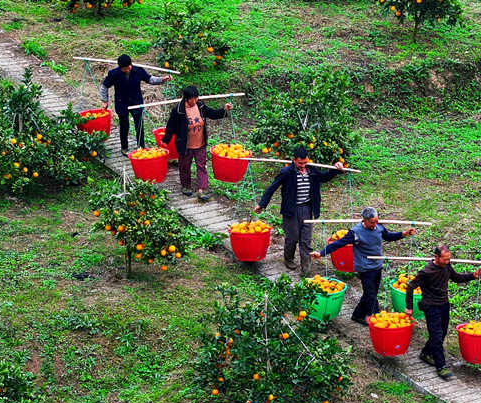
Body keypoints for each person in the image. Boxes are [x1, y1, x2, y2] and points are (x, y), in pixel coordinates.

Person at [311, 207, 415, 325]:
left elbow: (388, 236)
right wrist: (321, 253)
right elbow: (338, 243)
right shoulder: (356, 232)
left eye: (376, 221)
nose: (375, 224)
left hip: (377, 265)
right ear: (364, 220)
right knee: (371, 295)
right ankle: (378, 320)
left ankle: (357, 315)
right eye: (372, 222)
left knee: (371, 293)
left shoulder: (378, 226)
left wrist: (403, 234)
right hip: (365, 268)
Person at [254, 146, 345, 276]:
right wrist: (262, 204)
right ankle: (289, 258)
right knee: (292, 237)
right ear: (294, 160)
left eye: (305, 162)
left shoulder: (312, 170)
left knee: (306, 240)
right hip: (291, 210)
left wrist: (336, 169)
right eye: (300, 163)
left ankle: (306, 268)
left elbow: (324, 178)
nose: (303, 166)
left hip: (307, 209)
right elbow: (272, 188)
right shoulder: (286, 172)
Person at [405, 245, 481, 380]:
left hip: (444, 305)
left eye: (449, 259)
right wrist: (409, 307)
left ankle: (425, 353)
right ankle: (441, 366)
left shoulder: (446, 266)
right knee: (436, 335)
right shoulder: (426, 271)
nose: (448, 262)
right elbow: (411, 286)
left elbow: (457, 278)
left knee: (442, 333)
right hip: (430, 306)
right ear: (436, 257)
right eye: (445, 259)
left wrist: (473, 276)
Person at [161, 86, 232, 201]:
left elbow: (212, 114)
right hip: (185, 145)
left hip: (200, 143)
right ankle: (186, 186)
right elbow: (171, 126)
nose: (194, 101)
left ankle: (202, 189)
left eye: (196, 98)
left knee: (201, 166)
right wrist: (166, 139)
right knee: (184, 166)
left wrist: (224, 110)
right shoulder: (178, 110)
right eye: (191, 99)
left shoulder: (201, 106)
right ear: (186, 98)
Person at [100, 54, 171, 156]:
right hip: (121, 103)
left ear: (131, 64)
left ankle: (141, 147)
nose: (127, 70)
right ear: (120, 68)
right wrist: (105, 101)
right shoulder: (114, 74)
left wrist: (162, 79)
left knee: (139, 125)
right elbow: (104, 87)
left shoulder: (138, 71)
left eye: (128, 67)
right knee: (124, 126)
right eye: (124, 69)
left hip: (136, 102)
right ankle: (124, 148)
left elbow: (150, 79)